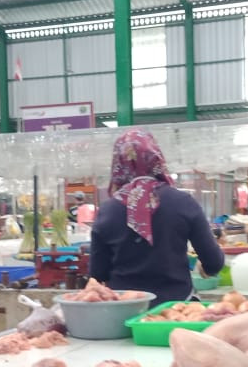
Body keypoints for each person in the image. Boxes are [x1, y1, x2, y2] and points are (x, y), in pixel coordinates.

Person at [90, 127, 224, 305]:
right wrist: (205, 268)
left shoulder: (107, 211)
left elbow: (97, 274)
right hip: (176, 310)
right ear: (156, 158)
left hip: (123, 311)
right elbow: (214, 263)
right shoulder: (183, 203)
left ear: (118, 163)